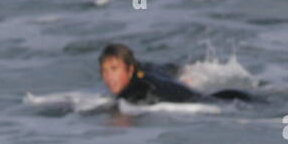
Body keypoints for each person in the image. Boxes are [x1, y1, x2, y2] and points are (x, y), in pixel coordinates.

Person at [98, 43, 253, 104]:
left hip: (206, 103)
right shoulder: (146, 69)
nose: (108, 77)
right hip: (218, 96)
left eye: (114, 69)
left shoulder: (135, 89)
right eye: (104, 71)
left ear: (130, 69)